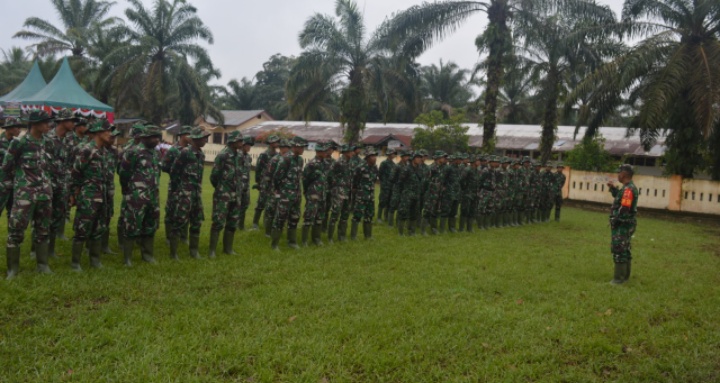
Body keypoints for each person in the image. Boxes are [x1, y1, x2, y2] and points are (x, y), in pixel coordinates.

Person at [2, 110, 54, 278]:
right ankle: (13, 269)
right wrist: (14, 186)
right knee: (16, 230)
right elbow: (6, 168)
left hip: (44, 193)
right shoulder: (20, 142)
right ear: (35, 124)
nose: (49, 125)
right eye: (45, 122)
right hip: (25, 194)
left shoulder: (47, 142)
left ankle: (42, 265)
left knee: (43, 229)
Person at [69, 120, 114, 270]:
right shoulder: (87, 150)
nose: (110, 134)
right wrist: (74, 192)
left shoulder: (105, 152)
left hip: (103, 196)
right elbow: (75, 172)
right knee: (82, 229)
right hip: (88, 196)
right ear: (99, 132)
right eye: (108, 131)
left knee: (99, 228)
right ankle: (75, 263)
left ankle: (95, 261)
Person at [118, 125, 162, 266]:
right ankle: (127, 259)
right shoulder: (133, 152)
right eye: (152, 137)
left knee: (150, 226)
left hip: (153, 196)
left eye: (157, 137)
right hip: (136, 196)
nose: (156, 140)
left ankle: (147, 255)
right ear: (144, 137)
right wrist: (128, 190)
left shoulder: (156, 153)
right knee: (131, 226)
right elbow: (124, 174)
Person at [168, 127, 209, 260]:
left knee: (197, 222)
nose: (206, 140)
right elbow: (174, 171)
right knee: (178, 222)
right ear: (196, 138)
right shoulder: (185, 152)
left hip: (196, 194)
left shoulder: (201, 154)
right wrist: (178, 190)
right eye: (204, 138)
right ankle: (173, 253)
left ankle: (194, 251)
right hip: (184, 193)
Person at [209, 131, 244, 258]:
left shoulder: (239, 155)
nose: (241, 143)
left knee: (232, 222)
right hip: (223, 194)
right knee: (218, 222)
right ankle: (212, 250)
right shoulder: (223, 155)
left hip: (236, 193)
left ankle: (228, 249)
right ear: (233, 141)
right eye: (239, 140)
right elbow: (214, 176)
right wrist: (221, 188)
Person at [270, 136, 306, 250]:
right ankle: (274, 244)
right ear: (295, 147)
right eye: (301, 147)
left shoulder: (300, 160)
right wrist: (280, 191)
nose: (303, 149)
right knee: (280, 218)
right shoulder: (286, 159)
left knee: (295, 217)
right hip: (285, 194)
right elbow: (277, 177)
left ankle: (292, 241)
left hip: (296, 194)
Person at [607, 164, 639, 284]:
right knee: (625, 248)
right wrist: (613, 188)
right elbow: (620, 199)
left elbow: (625, 207)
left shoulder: (628, 189)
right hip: (626, 223)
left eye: (619, 173)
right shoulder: (627, 188)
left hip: (622, 224)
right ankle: (624, 276)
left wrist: (615, 218)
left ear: (624, 174)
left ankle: (618, 279)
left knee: (619, 248)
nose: (617, 175)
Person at [160, 125, 192, 245]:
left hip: (188, 186)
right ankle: (169, 237)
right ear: (182, 135)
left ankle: (184, 236)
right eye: (188, 134)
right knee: (171, 210)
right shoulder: (173, 150)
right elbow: (164, 166)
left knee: (186, 210)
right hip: (175, 185)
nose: (190, 137)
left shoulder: (190, 150)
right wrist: (175, 172)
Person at [301, 142, 329, 246]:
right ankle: (304, 240)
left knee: (319, 217)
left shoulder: (326, 164)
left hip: (323, 194)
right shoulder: (312, 164)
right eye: (322, 151)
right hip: (313, 194)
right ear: (317, 152)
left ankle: (316, 238)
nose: (325, 153)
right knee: (309, 216)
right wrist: (307, 191)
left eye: (325, 151)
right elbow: (305, 179)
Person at [327, 145, 355, 242]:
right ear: (346, 152)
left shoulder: (350, 163)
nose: (353, 153)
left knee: (345, 214)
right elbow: (329, 175)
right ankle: (330, 237)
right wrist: (335, 185)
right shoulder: (338, 162)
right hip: (338, 192)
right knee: (335, 214)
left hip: (348, 192)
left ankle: (341, 236)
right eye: (351, 151)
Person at [252, 134, 280, 230]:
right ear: (270, 143)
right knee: (261, 202)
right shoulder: (264, 155)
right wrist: (259, 182)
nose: (277, 143)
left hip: (274, 183)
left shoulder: (277, 155)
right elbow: (258, 169)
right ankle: (255, 223)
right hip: (265, 182)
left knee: (271, 204)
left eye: (277, 142)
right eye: (275, 142)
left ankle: (266, 223)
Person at [351, 147, 379, 239]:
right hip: (361, 195)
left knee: (369, 215)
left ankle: (368, 235)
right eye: (372, 156)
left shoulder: (375, 168)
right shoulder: (360, 168)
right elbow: (355, 181)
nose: (374, 158)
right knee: (357, 215)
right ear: (367, 157)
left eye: (375, 156)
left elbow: (374, 180)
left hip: (370, 195)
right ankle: (353, 236)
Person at [0, 117, 23, 222]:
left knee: (13, 213)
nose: (19, 130)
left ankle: (11, 237)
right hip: (2, 183)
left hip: (15, 182)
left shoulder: (18, 143)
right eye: (17, 127)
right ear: (9, 128)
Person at [397, 151, 424, 236]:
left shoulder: (420, 169)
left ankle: (411, 231)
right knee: (403, 213)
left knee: (414, 213)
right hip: (407, 194)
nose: (419, 159)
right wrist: (403, 193)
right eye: (417, 157)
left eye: (420, 158)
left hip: (416, 194)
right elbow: (400, 182)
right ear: (413, 159)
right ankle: (400, 233)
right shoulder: (406, 169)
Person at [424, 151, 447, 235]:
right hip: (431, 193)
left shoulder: (441, 168)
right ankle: (423, 230)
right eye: (442, 157)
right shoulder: (431, 168)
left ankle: (433, 228)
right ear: (437, 158)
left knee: (436, 211)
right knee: (427, 211)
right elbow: (426, 181)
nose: (443, 159)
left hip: (439, 193)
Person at [237, 136, 254, 230]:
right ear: (242, 145)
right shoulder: (237, 156)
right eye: (247, 145)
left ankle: (241, 226)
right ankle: (234, 225)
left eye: (250, 145)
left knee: (245, 205)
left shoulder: (248, 157)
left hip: (246, 186)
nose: (249, 147)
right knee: (236, 206)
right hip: (238, 185)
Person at [377, 148, 396, 223]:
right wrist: (383, 183)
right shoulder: (384, 163)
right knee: (382, 201)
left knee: (389, 202)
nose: (393, 155)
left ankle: (386, 217)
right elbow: (380, 173)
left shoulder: (394, 164)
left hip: (391, 186)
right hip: (385, 185)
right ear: (389, 154)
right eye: (392, 153)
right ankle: (379, 217)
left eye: (394, 154)